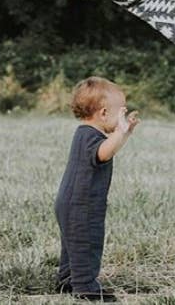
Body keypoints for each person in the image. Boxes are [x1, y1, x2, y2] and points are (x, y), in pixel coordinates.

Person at [55, 77, 140, 302]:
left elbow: (107, 148)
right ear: (103, 113)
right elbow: (103, 153)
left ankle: (67, 280)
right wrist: (120, 133)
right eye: (120, 112)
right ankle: (85, 287)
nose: (123, 116)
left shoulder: (84, 133)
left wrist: (124, 133)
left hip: (71, 203)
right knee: (86, 245)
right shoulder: (90, 136)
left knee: (72, 246)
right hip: (82, 206)